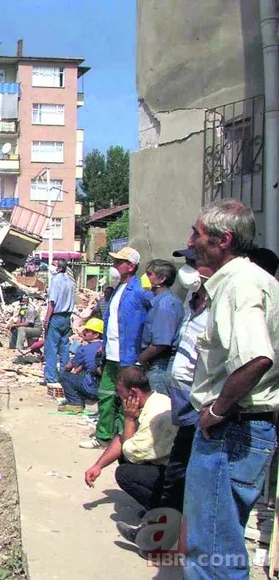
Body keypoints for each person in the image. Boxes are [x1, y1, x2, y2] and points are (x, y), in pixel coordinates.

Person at [182, 199, 279, 578]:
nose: (191, 242)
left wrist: (217, 409)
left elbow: (257, 357)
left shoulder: (238, 284)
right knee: (222, 540)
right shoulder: (256, 281)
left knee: (211, 550)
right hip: (245, 428)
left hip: (230, 431)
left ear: (222, 240)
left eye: (197, 234)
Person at [116, 248, 214, 545]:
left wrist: (137, 364)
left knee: (177, 473)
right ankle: (158, 532)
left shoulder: (169, 305)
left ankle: (162, 536)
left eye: (194, 263)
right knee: (175, 474)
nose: (189, 269)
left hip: (198, 405)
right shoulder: (190, 302)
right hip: (188, 403)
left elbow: (160, 342)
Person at [82, 246, 150, 450]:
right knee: (105, 393)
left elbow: (147, 317)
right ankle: (103, 435)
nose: (115, 265)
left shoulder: (139, 291)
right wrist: (104, 344)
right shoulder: (118, 288)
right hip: (111, 353)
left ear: (131, 266)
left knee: (126, 398)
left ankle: (123, 438)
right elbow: (111, 321)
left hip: (128, 354)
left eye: (119, 262)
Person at [84, 366, 178, 512]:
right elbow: (122, 438)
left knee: (125, 474)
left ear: (133, 392)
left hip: (174, 472)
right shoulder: (155, 399)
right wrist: (98, 466)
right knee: (124, 450)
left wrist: (129, 420)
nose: (117, 395)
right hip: (164, 461)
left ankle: (164, 512)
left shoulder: (155, 415)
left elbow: (130, 454)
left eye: (119, 391)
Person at [136, 259, 184, 395]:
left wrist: (141, 360)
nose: (145, 277)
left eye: (149, 274)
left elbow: (161, 343)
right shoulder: (157, 301)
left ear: (161, 279)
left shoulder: (165, 305)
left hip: (159, 365)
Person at [57, 318, 104, 412]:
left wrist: (64, 376)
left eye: (87, 331)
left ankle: (75, 403)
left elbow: (68, 367)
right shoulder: (104, 347)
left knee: (64, 376)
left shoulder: (84, 349)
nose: (83, 333)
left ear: (96, 334)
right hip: (103, 388)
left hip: (92, 387)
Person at [43, 259, 76, 387]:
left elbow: (52, 302)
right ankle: (64, 376)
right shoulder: (69, 281)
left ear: (58, 268)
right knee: (64, 348)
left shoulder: (56, 281)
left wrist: (46, 319)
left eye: (54, 264)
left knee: (51, 348)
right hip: (67, 317)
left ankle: (51, 378)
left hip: (56, 317)